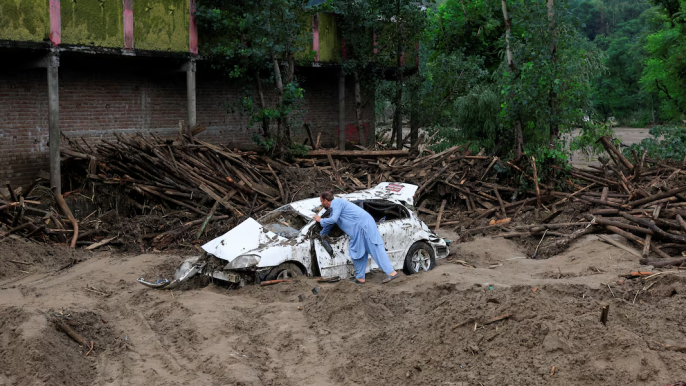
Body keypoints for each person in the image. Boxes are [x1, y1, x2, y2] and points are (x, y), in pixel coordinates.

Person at [313, 191, 399, 284]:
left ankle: (391, 272)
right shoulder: (334, 209)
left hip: (364, 226)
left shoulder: (337, 203)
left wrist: (320, 219)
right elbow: (331, 222)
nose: (321, 204)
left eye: (321, 201)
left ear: (326, 200)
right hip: (357, 232)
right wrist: (322, 234)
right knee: (357, 252)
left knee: (375, 248)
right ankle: (360, 277)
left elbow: (333, 219)